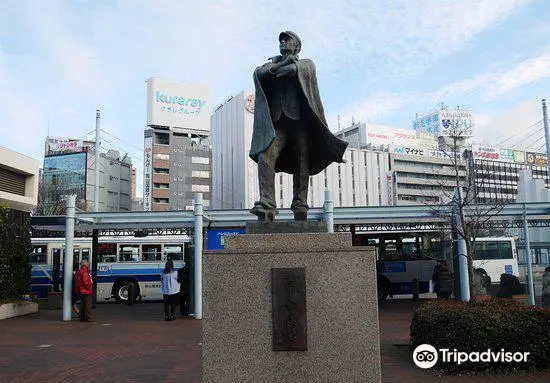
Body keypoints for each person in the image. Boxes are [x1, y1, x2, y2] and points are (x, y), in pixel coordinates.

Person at [249, 31, 348, 221]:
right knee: (265, 154)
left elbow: (294, 71)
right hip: (278, 123)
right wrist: (280, 65)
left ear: (297, 47)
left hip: (300, 123)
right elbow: (259, 73)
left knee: (302, 161)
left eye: (287, 40)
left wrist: (284, 66)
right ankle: (267, 204)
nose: (283, 42)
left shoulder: (306, 63)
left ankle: (300, 203)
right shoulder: (271, 64)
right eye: (281, 40)